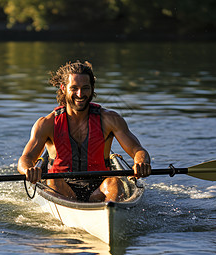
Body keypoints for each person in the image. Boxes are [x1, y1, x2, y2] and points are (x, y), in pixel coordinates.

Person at [18, 61, 151, 202]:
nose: (80, 94)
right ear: (63, 88)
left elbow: (138, 150)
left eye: (85, 88)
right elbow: (25, 159)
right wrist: (28, 170)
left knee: (115, 182)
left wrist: (141, 163)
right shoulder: (46, 123)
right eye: (74, 88)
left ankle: (109, 210)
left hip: (99, 186)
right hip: (61, 185)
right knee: (53, 182)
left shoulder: (110, 119)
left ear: (92, 89)